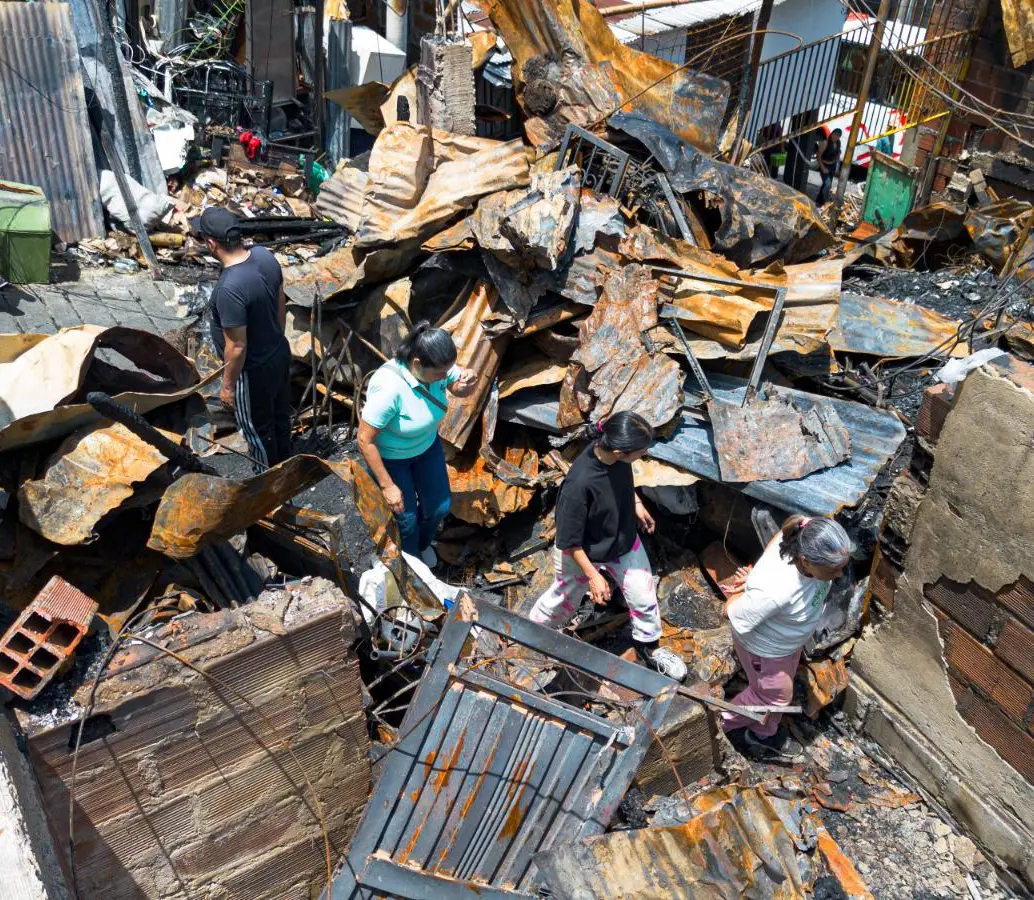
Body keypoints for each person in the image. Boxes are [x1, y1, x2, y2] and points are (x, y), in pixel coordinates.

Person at [528, 412, 688, 681]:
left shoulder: (616, 459)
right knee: (563, 599)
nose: (644, 455)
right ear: (619, 451)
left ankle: (650, 648)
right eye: (640, 452)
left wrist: (636, 504)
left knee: (643, 597)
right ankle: (532, 635)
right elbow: (569, 542)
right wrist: (593, 576)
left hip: (623, 541)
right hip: (582, 553)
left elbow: (621, 484)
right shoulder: (578, 485)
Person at [721, 515, 854, 761]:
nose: (840, 574)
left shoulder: (807, 533)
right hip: (765, 652)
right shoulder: (777, 592)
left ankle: (764, 732)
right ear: (806, 562)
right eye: (834, 569)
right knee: (774, 698)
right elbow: (730, 612)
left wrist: (754, 578)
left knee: (777, 692)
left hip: (786, 645)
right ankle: (720, 722)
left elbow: (784, 532)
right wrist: (751, 593)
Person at [357, 323, 477, 565]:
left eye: (448, 371)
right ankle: (409, 562)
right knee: (406, 520)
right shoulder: (389, 389)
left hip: (426, 448)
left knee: (440, 507)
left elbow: (455, 386)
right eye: (440, 374)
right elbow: (364, 439)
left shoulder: (437, 367)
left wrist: (466, 384)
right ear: (417, 363)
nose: (445, 376)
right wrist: (387, 486)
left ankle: (419, 547)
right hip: (392, 459)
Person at [197, 207, 292, 470]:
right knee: (280, 417)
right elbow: (280, 299)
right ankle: (288, 468)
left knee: (257, 429)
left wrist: (228, 386)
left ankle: (268, 482)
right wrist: (275, 336)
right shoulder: (265, 256)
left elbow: (237, 346)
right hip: (278, 353)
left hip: (252, 372)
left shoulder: (229, 288)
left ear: (211, 244)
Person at [815, 128, 842, 205]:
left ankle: (819, 202)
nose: (835, 136)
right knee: (828, 184)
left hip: (832, 165)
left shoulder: (838, 143)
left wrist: (837, 167)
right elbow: (818, 157)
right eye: (834, 134)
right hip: (824, 165)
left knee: (825, 185)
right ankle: (826, 201)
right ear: (831, 134)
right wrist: (823, 168)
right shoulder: (825, 143)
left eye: (838, 135)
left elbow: (837, 155)